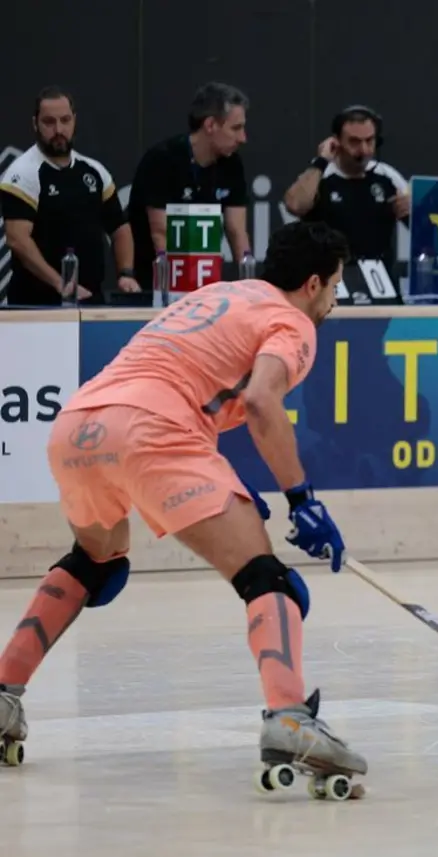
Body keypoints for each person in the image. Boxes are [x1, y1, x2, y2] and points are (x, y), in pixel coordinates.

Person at [0, 221, 367, 790]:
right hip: (153, 431)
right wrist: (302, 500)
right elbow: (260, 402)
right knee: (268, 581)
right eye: (336, 288)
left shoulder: (222, 293)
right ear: (313, 283)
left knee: (93, 563)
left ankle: (2, 694)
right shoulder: (293, 322)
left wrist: (227, 477)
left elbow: (195, 383)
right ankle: (290, 719)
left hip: (79, 425)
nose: (334, 303)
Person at [0, 86, 139, 306]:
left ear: (74, 120)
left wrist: (126, 273)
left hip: (90, 300)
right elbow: (18, 240)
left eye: (65, 120)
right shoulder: (23, 173)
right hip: (35, 305)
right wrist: (59, 283)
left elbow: (120, 228)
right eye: (49, 122)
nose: (58, 129)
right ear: (35, 123)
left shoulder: (94, 171)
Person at [126, 82, 253, 293]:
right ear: (210, 125)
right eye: (236, 128)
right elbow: (161, 234)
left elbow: (237, 230)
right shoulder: (162, 159)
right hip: (157, 285)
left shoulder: (232, 163)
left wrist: (250, 289)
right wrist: (183, 294)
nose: (243, 138)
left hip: (204, 286)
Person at [282, 105, 409, 264]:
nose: (363, 150)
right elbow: (295, 205)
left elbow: (423, 228)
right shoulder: (320, 174)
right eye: (354, 142)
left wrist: (412, 210)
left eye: (369, 141)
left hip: (380, 279)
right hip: (330, 278)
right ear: (336, 142)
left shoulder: (386, 176)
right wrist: (322, 161)